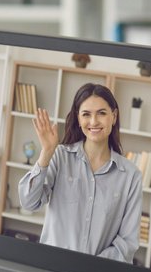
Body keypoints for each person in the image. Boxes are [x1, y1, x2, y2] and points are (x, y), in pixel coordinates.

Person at [18, 83, 143, 262]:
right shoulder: (59, 156)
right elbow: (29, 202)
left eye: (102, 113)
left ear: (113, 116)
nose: (93, 122)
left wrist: (91, 268)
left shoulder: (131, 176)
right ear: (78, 118)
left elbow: (128, 243)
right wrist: (46, 152)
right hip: (51, 270)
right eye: (86, 114)